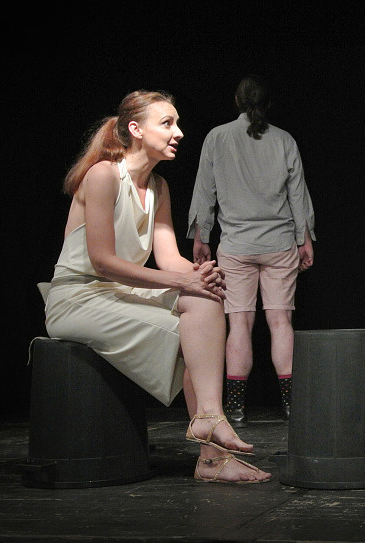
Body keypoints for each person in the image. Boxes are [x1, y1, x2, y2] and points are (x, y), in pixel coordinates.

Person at [41, 90, 271, 484]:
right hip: (77, 296)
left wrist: (200, 275)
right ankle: (213, 450)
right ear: (135, 129)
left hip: (118, 292)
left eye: (176, 123)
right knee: (190, 334)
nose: (178, 132)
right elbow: (102, 261)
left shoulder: (158, 187)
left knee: (204, 301)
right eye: (167, 123)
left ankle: (210, 430)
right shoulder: (103, 175)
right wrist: (183, 280)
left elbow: (169, 259)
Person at [187, 75, 316, 427]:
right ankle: (291, 406)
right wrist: (305, 238)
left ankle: (236, 409)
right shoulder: (284, 140)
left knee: (239, 325)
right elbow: (298, 195)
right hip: (279, 244)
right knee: (281, 322)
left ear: (236, 101)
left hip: (236, 246)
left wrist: (201, 236)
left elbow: (204, 192)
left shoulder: (217, 137)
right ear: (267, 104)